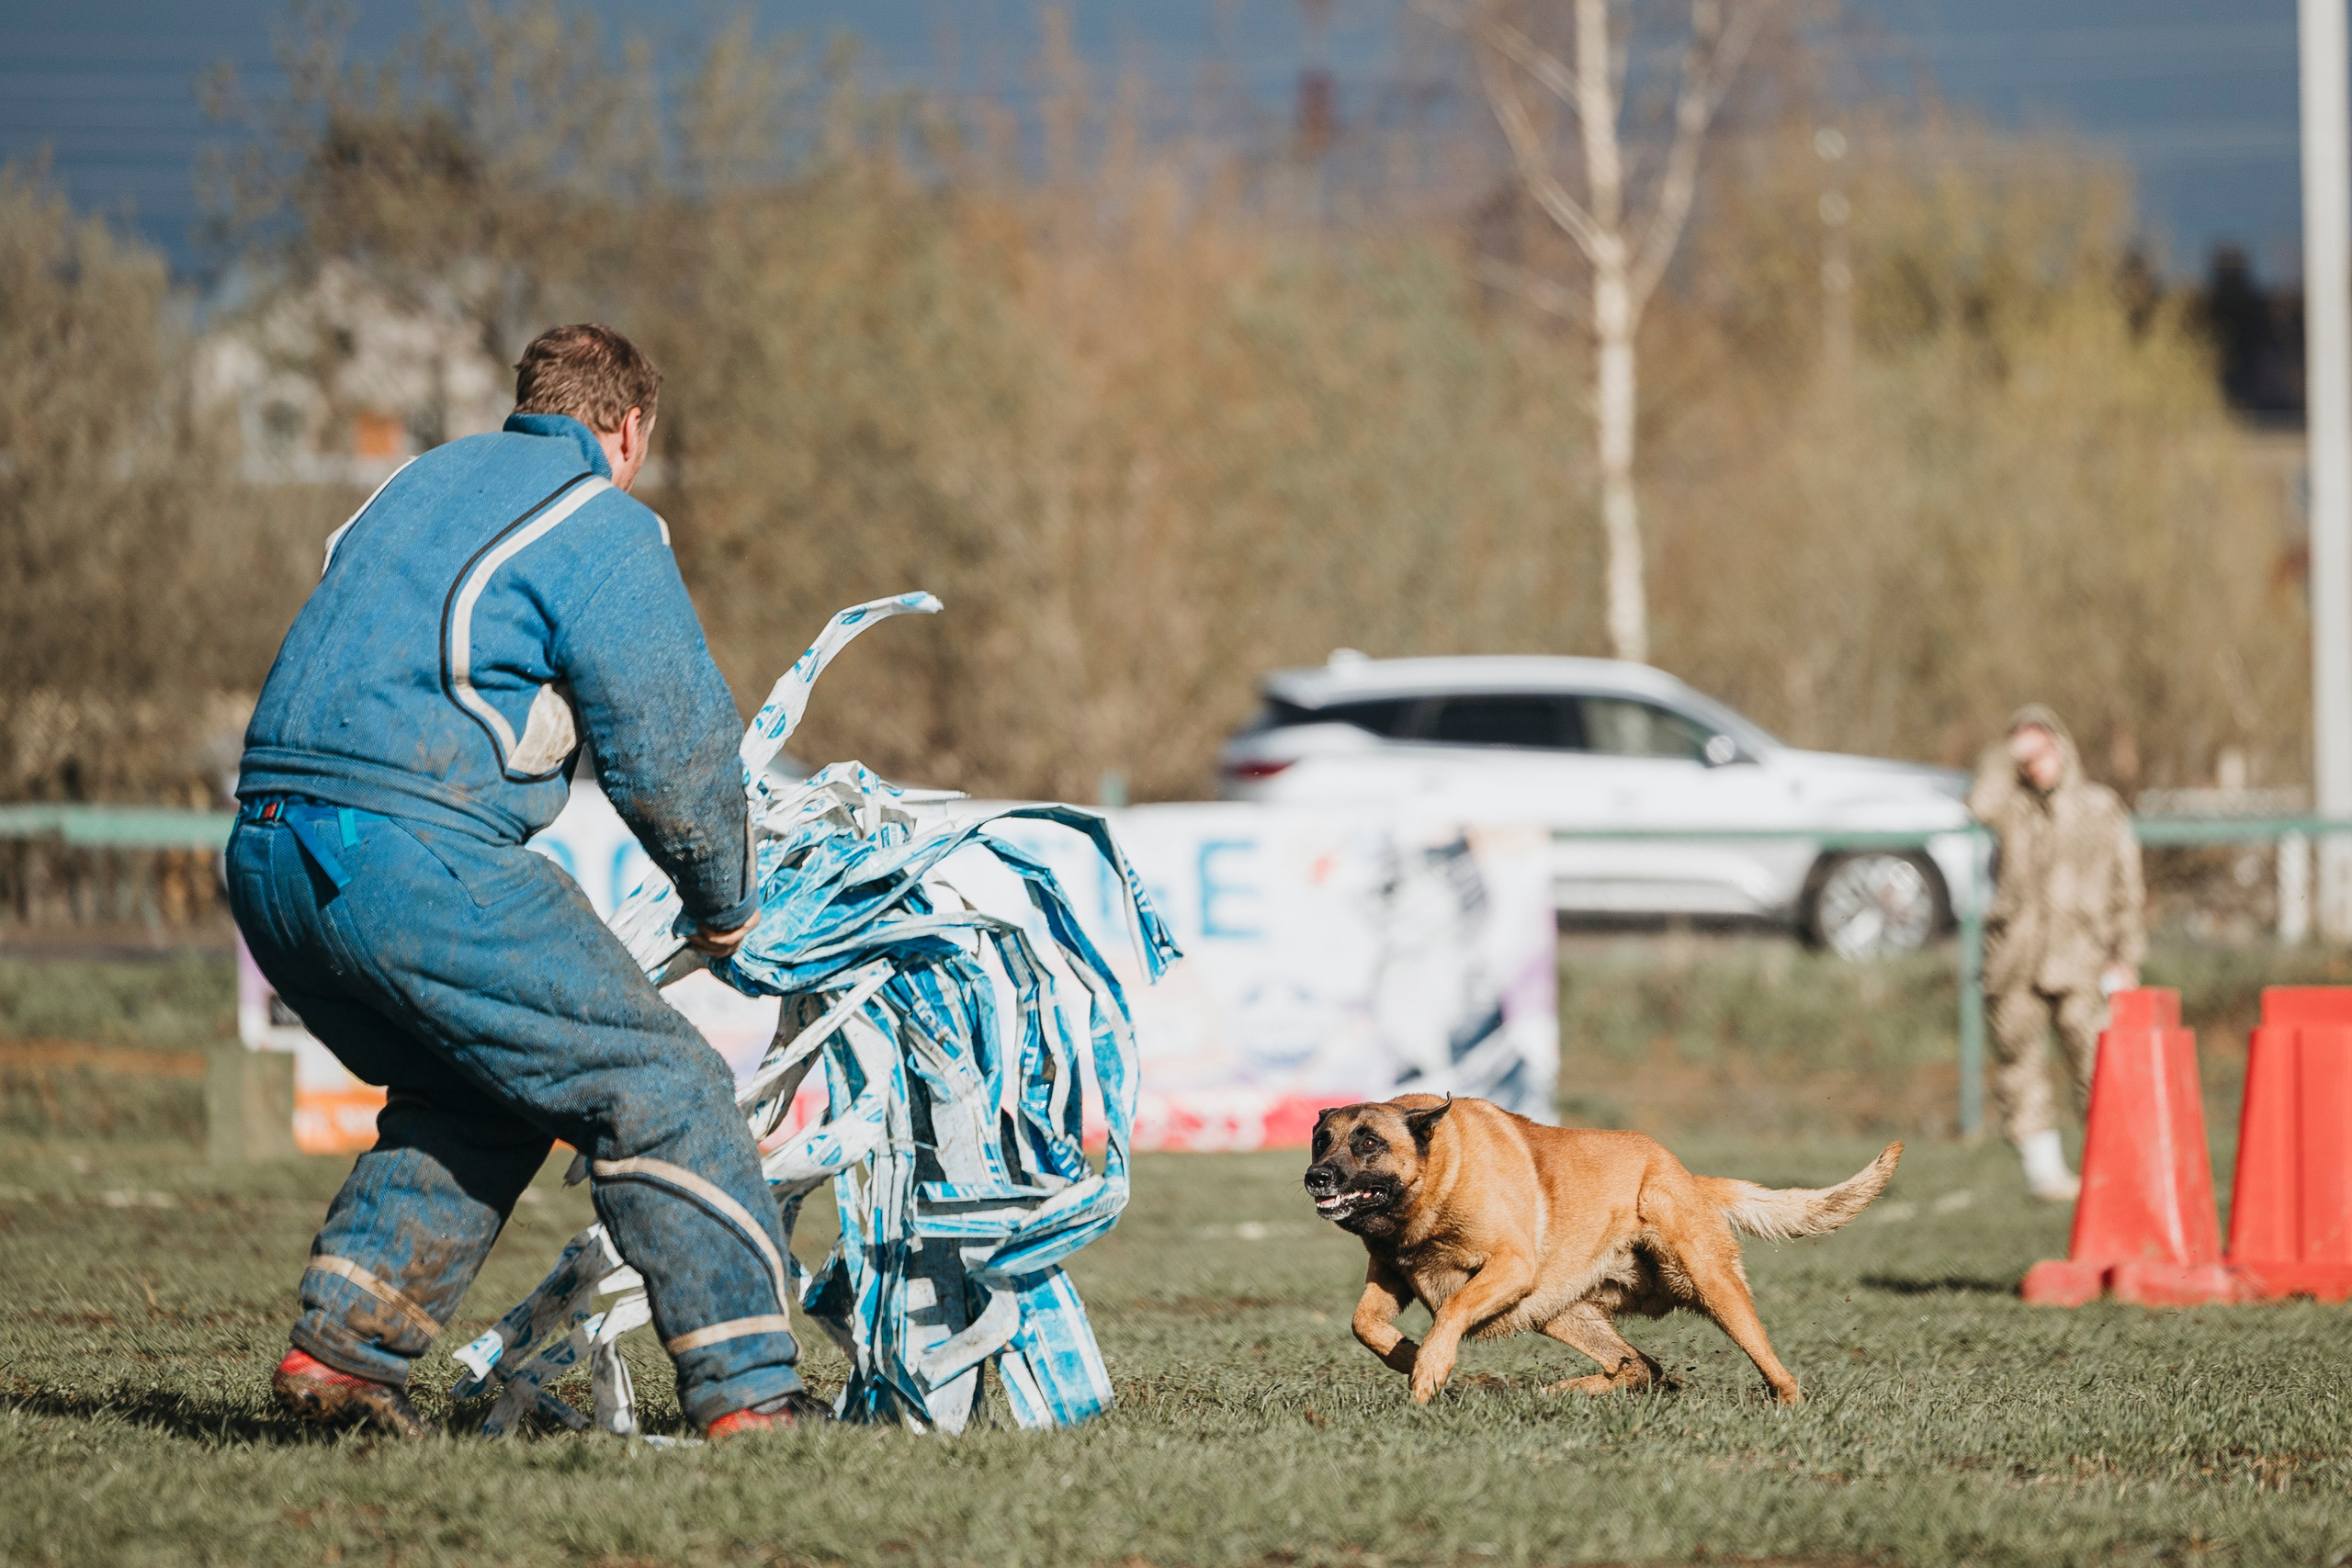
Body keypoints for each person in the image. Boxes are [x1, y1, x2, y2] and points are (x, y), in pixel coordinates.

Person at [229, 324, 818, 1440]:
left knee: (482, 1087)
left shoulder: (415, 484)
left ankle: (340, 1362)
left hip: (267, 854)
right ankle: (752, 1403)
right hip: (406, 853)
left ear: (529, 402)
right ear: (630, 429)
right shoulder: (596, 518)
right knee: (658, 1082)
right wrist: (724, 904)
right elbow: (672, 751)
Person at [1967, 705, 2145, 1202]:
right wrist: (2006, 754)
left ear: (2063, 746)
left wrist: (2125, 955)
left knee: (2097, 1066)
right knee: (2019, 1068)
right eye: (2024, 750)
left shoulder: (2099, 807)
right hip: (2016, 961)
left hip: (2084, 959)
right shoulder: (2010, 804)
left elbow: (2127, 886)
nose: (2034, 759)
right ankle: (2045, 1174)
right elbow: (1980, 802)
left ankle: (2110, 1168)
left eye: (2042, 744)